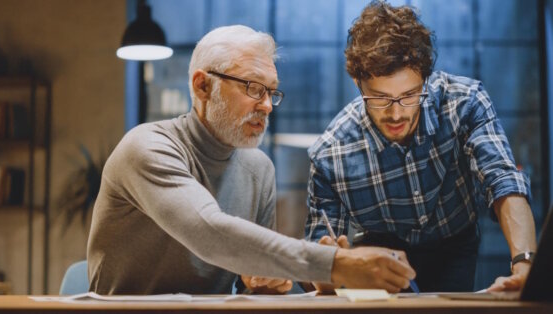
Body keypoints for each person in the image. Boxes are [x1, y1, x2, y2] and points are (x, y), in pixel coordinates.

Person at [87, 25, 416, 295]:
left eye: (271, 92)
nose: (267, 105)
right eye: (253, 88)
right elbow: (209, 232)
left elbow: (250, 279)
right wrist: (335, 262)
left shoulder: (258, 169)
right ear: (203, 86)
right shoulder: (146, 148)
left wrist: (267, 280)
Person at [306, 1, 537, 293]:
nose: (396, 113)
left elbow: (503, 180)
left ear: (425, 79)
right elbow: (315, 255)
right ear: (357, 82)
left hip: (454, 239)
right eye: (379, 98)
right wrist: (330, 269)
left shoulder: (464, 103)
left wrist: (526, 263)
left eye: (409, 95)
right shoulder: (330, 153)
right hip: (380, 247)